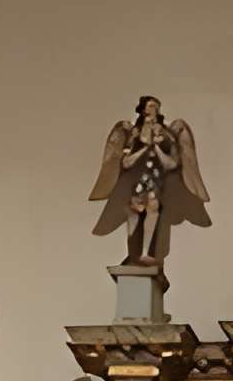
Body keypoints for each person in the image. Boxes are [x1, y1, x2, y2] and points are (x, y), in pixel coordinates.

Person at [90, 94, 212, 268]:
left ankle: (147, 252)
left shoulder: (165, 134)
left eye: (156, 106)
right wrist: (144, 149)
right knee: (134, 210)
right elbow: (125, 161)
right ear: (143, 109)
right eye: (150, 106)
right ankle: (134, 253)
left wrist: (157, 147)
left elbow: (173, 163)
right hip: (136, 181)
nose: (153, 110)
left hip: (155, 178)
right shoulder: (135, 133)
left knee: (153, 207)